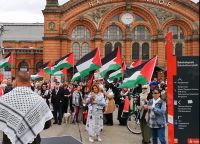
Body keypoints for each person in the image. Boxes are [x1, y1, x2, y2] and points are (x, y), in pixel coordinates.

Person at [0, 72, 53, 144]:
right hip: (33, 141)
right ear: (29, 83)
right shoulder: (39, 100)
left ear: (15, 82)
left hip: (9, 141)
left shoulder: (3, 100)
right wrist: (33, 126)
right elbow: (47, 124)